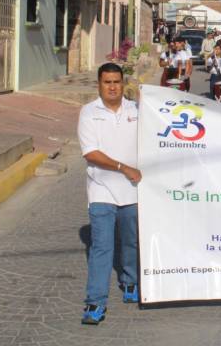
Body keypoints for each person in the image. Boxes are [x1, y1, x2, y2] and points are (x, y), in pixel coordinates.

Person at [77, 63, 142, 325]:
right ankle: (95, 302)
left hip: (134, 189)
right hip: (101, 188)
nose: (113, 87)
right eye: (107, 82)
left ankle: (129, 282)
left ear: (123, 83)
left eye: (117, 82)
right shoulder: (89, 112)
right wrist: (122, 167)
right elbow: (90, 153)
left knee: (130, 243)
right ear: (99, 85)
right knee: (102, 246)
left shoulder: (137, 110)